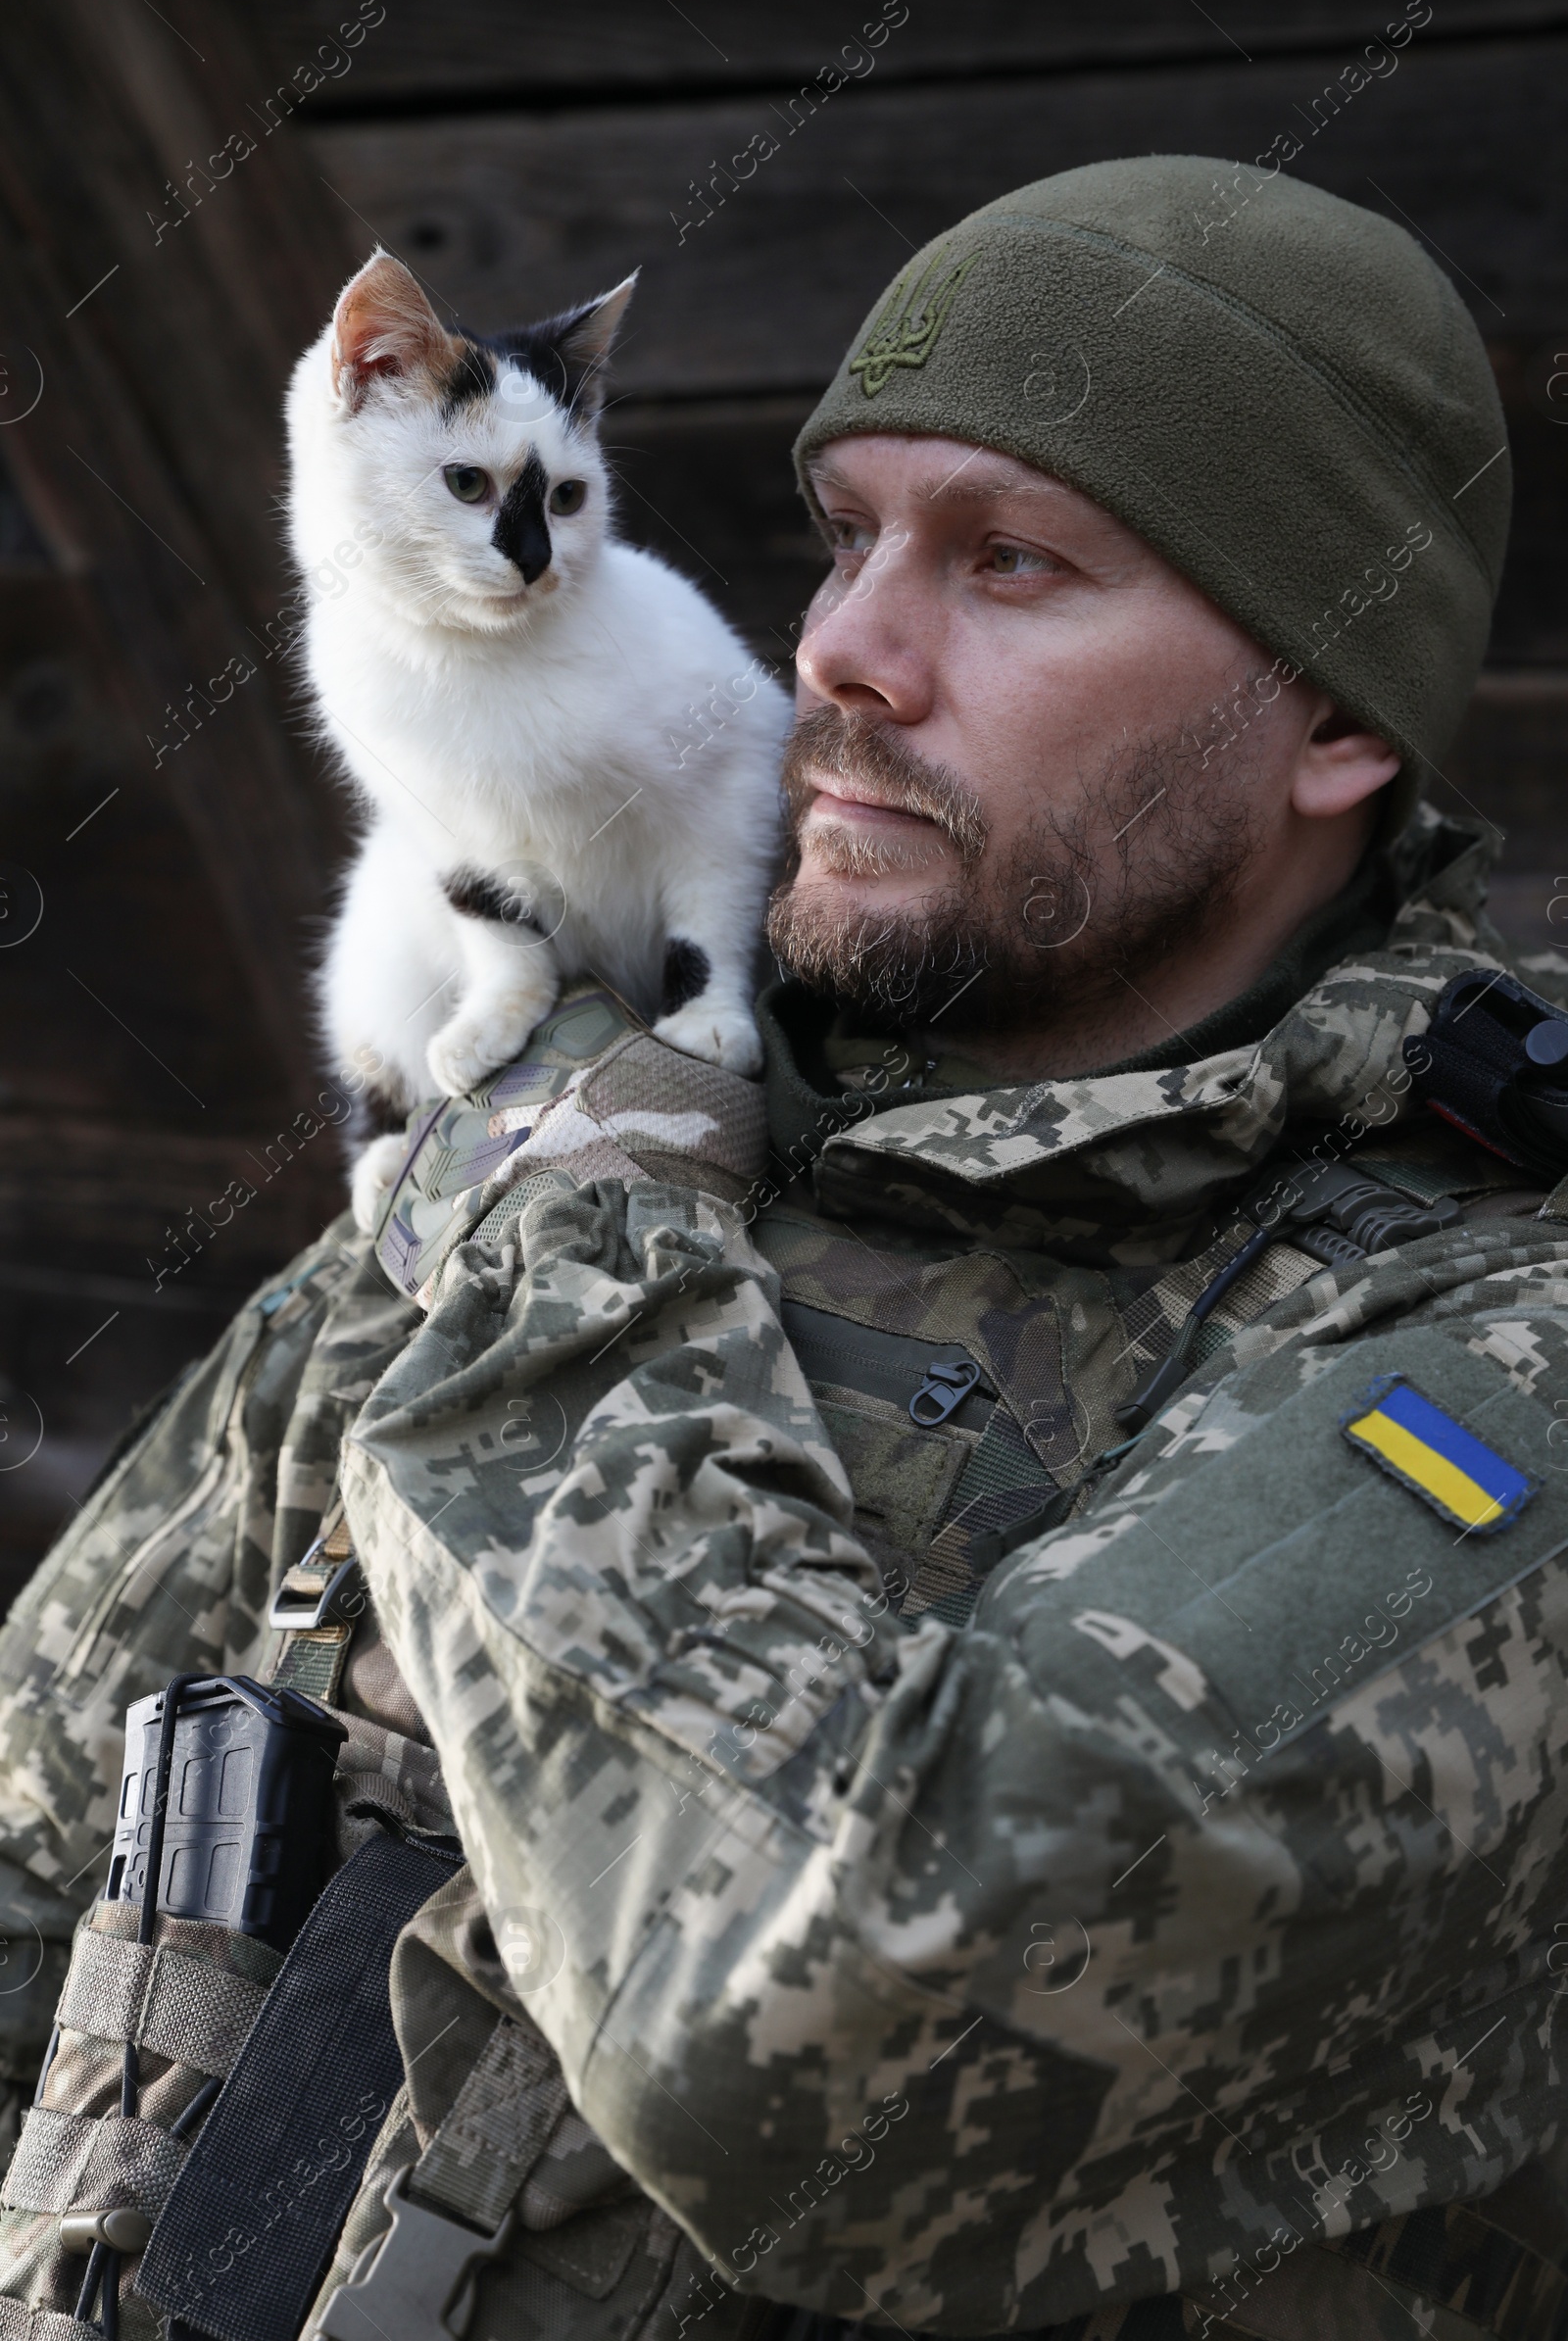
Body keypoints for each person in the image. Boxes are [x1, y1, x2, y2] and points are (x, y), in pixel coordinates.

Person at [0, 155, 1565, 2341]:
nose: (838, 646)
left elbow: (831, 2061)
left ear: (1327, 722)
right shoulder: (597, 1097)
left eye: (1008, 563)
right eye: (844, 537)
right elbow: (33, 1847)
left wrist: (580, 1244)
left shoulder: (1474, 1340)